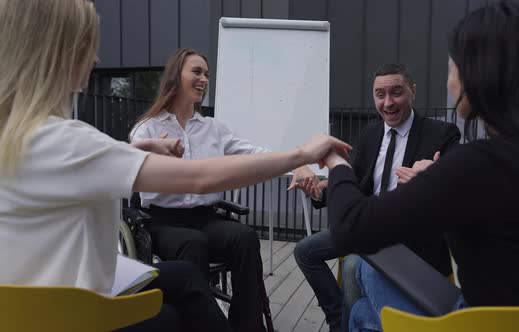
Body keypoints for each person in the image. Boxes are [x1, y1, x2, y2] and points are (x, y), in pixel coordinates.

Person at [0, 0, 351, 331]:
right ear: (56, 52)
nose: (96, 56)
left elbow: (75, 165)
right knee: (175, 309)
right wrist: (302, 154)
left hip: (32, 301)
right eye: (86, 44)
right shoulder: (73, 139)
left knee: (199, 267)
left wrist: (128, 149)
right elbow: (198, 178)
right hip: (75, 305)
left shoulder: (25, 136)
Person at [322, 1, 519, 331]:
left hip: (480, 322)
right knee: (363, 313)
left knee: (365, 269)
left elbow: (351, 228)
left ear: (477, 75)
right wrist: (436, 182)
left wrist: (335, 161)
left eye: (451, 69)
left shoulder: (479, 163)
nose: (449, 84)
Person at [128, 47, 316, 332]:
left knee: (244, 237)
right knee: (194, 243)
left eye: (207, 74)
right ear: (175, 77)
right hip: (163, 221)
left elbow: (255, 153)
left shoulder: (213, 129)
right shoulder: (148, 128)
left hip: (205, 217)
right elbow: (132, 170)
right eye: (197, 72)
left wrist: (298, 163)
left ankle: (246, 326)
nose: (204, 79)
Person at [292, 63, 461, 331]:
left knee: (352, 267)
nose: (388, 103)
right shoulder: (371, 133)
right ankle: (339, 321)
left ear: (413, 91)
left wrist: (430, 182)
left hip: (410, 237)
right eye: (380, 95)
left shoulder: (442, 134)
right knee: (304, 251)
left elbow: (455, 196)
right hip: (369, 226)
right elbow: (356, 183)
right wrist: (322, 188)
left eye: (396, 93)